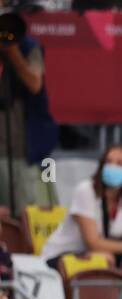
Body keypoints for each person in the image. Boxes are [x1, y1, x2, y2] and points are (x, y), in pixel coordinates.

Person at [40, 144, 122, 269]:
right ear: (102, 167)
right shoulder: (86, 191)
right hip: (61, 255)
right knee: (104, 258)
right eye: (108, 162)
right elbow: (93, 243)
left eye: (120, 163)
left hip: (102, 255)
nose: (113, 167)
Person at [0, 10, 58, 212]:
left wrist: (12, 51)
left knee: (28, 213)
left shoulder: (28, 46)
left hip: (25, 149)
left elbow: (35, 83)